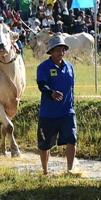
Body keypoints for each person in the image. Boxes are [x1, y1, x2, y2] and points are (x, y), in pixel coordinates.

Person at [35, 35, 78, 176]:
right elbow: (42, 85)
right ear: (51, 51)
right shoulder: (43, 67)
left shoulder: (69, 67)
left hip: (67, 111)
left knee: (72, 139)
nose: (61, 53)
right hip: (49, 113)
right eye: (58, 50)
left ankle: (70, 169)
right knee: (45, 144)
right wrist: (51, 93)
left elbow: (72, 87)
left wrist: (72, 103)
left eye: (63, 49)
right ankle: (45, 171)